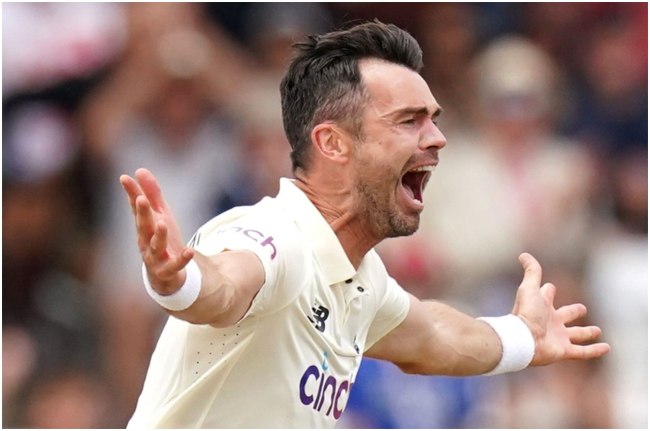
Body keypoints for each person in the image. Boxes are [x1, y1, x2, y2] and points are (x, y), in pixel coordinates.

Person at [120, 21, 609, 428]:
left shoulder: (362, 280)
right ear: (333, 143)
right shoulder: (279, 237)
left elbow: (435, 337)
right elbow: (225, 286)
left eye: (433, 119)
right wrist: (180, 282)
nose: (437, 138)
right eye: (408, 121)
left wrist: (523, 337)